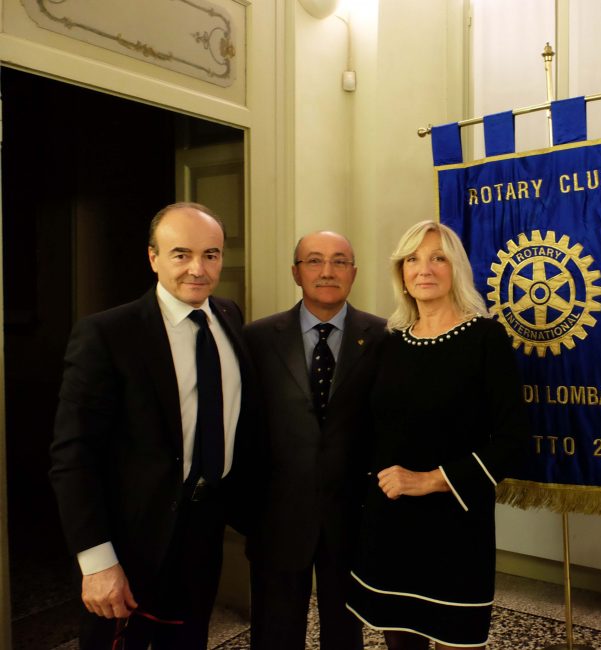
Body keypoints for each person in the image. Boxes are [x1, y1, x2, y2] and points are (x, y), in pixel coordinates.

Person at [49, 202, 255, 650]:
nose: (198, 268)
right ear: (153, 257)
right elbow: (73, 456)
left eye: (211, 254)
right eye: (181, 254)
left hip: (204, 529)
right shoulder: (108, 334)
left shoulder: (229, 315)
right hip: (131, 540)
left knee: (187, 640)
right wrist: (97, 562)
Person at [345, 220, 529, 649]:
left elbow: (513, 440)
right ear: (402, 272)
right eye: (412, 259)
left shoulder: (486, 337)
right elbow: (369, 429)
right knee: (400, 641)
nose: (423, 269)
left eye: (437, 258)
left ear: (456, 269)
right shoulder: (388, 343)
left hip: (455, 525)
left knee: (456, 638)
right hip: (389, 522)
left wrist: (430, 480)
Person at [244, 231, 386, 650]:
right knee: (275, 630)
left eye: (340, 261)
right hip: (277, 514)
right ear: (296, 272)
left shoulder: (385, 337)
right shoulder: (257, 338)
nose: (328, 271)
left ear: (353, 273)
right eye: (314, 261)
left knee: (345, 632)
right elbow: (245, 427)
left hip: (353, 514)